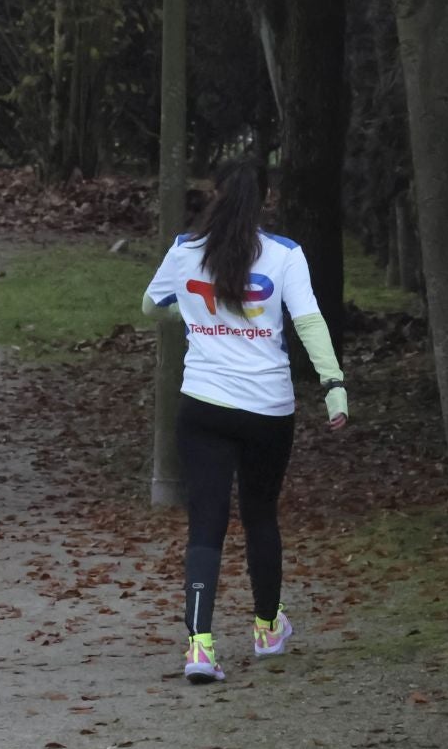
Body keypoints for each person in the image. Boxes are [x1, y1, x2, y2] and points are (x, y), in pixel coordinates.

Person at [142, 160, 348, 684]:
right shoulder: (284, 255)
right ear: (264, 202)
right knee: (261, 515)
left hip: (202, 406)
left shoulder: (185, 249)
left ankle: (199, 647)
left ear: (213, 196)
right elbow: (308, 320)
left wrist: (187, 316)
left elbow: (151, 305)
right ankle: (266, 628)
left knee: (205, 521)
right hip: (268, 410)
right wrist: (334, 385)